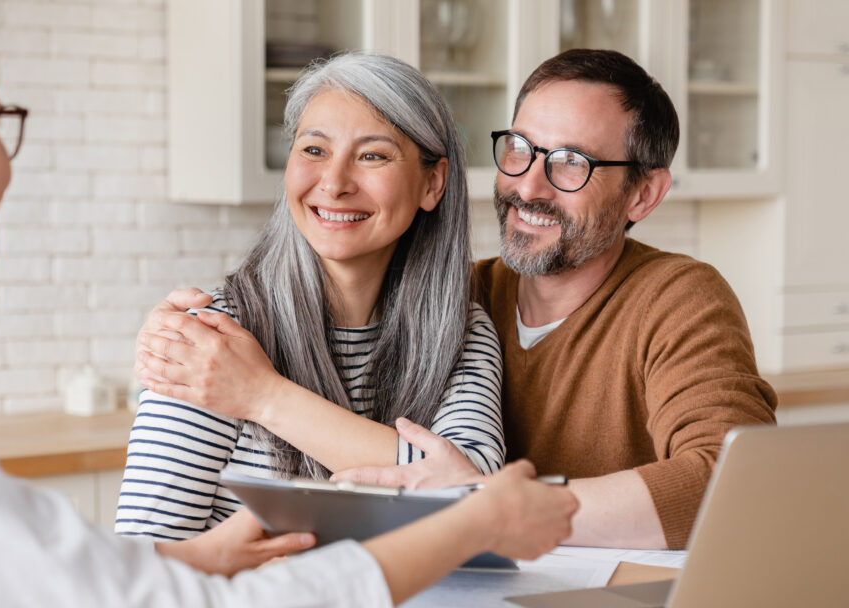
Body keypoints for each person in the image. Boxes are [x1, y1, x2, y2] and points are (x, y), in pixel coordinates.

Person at [0, 1, 578, 606]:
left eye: (372, 155)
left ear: (433, 181)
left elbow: (72, 585)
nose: (9, 160)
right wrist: (471, 522)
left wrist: (197, 551)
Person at [139, 49, 778, 552]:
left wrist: (486, 502)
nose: (530, 184)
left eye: (571, 163)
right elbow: (142, 559)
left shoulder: (662, 301)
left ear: (643, 195)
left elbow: (735, 483)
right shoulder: (465, 299)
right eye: (521, 150)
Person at [120, 52, 505, 541]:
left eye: (372, 155)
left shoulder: (461, 330)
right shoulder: (214, 341)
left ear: (433, 183)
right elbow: (144, 562)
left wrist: (264, 396)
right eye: (314, 150)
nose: (335, 183)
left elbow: (473, 495)